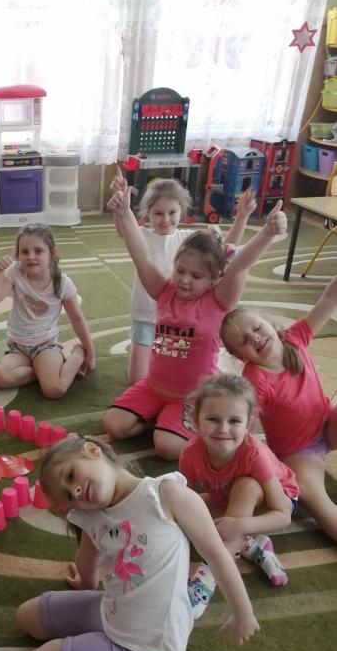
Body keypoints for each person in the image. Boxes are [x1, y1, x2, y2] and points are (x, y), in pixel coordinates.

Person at [15, 435, 259, 651]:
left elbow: (218, 556)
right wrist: (85, 583)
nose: (74, 491)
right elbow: (87, 560)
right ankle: (93, 640)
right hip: (111, 610)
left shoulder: (166, 494)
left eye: (71, 475)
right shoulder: (92, 514)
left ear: (93, 450)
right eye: (68, 496)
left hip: (147, 650)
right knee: (25, 617)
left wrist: (243, 614)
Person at [104, 180, 287, 460]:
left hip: (191, 396)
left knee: (166, 447)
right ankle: (162, 419)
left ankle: (179, 422)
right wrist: (125, 212)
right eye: (180, 270)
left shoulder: (219, 301)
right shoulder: (164, 291)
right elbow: (140, 255)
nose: (185, 280)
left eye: (196, 276)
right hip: (153, 387)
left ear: (213, 278)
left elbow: (239, 265)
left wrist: (267, 233)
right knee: (114, 425)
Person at [220, 277, 337, 544]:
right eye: (244, 341)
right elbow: (244, 425)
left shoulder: (295, 338)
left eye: (257, 328)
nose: (255, 338)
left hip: (328, 424)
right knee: (312, 495)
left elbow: (329, 300)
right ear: (240, 357)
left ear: (272, 325)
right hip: (298, 452)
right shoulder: (255, 379)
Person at [110, 171, 255, 383]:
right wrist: (121, 207)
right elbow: (124, 228)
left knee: (181, 370)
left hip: (182, 320)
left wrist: (242, 217)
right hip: (146, 316)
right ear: (147, 213)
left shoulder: (189, 239)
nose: (165, 219)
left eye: (172, 212)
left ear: (181, 210)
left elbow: (224, 251)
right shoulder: (143, 236)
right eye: (158, 213)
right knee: (137, 381)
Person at [180, 373, 298, 600]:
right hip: (226, 497)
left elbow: (283, 515)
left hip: (279, 500)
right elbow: (184, 499)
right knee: (182, 509)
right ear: (196, 420)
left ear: (248, 425)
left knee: (246, 487)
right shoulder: (190, 453)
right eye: (213, 419)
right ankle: (253, 545)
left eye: (234, 421)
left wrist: (240, 525)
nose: (223, 428)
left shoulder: (254, 454)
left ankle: (207, 579)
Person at [0, 223, 96, 398]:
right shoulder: (15, 272)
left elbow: (77, 318)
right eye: (24, 251)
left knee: (54, 390)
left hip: (45, 344)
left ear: (52, 253)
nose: (31, 256)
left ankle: (77, 353)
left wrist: (89, 351)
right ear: (18, 254)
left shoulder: (62, 283)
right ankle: (42, 371)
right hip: (18, 347)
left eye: (38, 251)